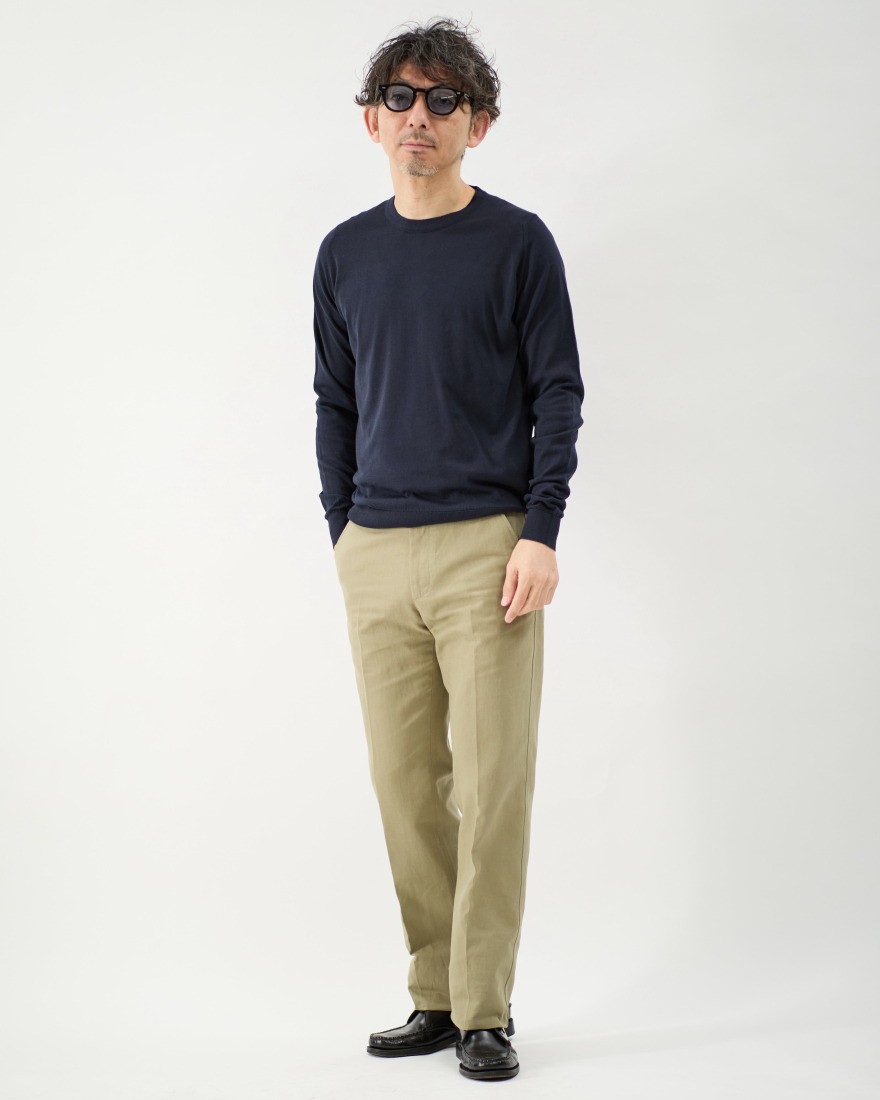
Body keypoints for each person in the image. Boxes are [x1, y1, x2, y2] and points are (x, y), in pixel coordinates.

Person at [312, 17, 584, 1082]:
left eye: (441, 100)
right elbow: (335, 400)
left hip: (488, 549)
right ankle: (433, 993)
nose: (417, 116)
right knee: (403, 784)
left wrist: (539, 530)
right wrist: (341, 527)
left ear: (480, 122)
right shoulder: (345, 252)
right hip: (375, 550)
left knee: (494, 781)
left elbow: (557, 393)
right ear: (371, 119)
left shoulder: (517, 242)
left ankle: (484, 1007)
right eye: (399, 97)